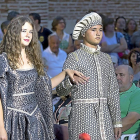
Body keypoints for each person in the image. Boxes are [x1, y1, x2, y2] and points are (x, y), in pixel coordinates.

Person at [0, 16, 87, 140]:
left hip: (35, 119)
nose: (28, 35)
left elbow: (45, 86)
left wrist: (66, 73)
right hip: (14, 119)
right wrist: (1, 128)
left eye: (30, 32)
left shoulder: (34, 60)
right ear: (15, 32)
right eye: (24, 31)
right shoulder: (4, 60)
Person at [56, 12, 122, 140]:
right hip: (82, 116)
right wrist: (70, 81)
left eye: (100, 30)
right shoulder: (74, 57)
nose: (98, 33)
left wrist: (117, 121)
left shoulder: (106, 59)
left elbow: (113, 92)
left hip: (105, 118)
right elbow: (60, 91)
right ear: (84, 33)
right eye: (94, 30)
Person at [115, 65, 140, 135]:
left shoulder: (137, 93)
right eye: (115, 75)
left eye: (121, 75)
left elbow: (131, 119)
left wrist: (105, 131)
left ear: (131, 78)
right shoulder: (109, 93)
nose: (117, 78)